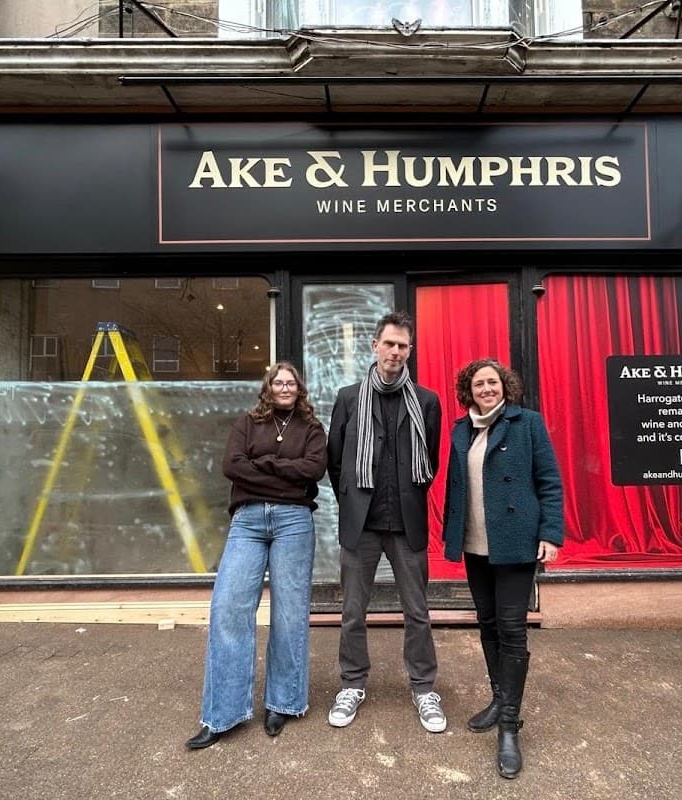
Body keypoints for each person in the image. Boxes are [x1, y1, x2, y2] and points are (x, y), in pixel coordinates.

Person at [186, 361, 327, 750]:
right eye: (278, 382)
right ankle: (222, 714)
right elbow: (232, 466)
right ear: (268, 387)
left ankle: (283, 702)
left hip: (295, 523)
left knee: (289, 612)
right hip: (247, 520)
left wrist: (260, 465)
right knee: (229, 607)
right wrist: (285, 474)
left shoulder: (312, 429)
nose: (285, 387)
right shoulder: (247, 423)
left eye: (291, 383)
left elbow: (314, 469)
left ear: (299, 389)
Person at [441, 358, 563, 778]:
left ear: (505, 386)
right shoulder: (462, 429)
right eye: (478, 384)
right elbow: (456, 486)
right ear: (469, 391)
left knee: (511, 628)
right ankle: (498, 696)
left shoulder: (527, 423)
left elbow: (549, 480)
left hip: (516, 543)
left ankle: (510, 724)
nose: (487, 389)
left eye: (493, 382)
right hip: (475, 544)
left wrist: (550, 533)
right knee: (488, 622)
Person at [325, 310, 446, 733]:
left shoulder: (427, 401)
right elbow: (334, 459)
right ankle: (352, 682)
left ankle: (423, 687)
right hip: (362, 526)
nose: (395, 351)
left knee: (418, 612)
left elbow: (429, 458)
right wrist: (352, 500)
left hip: (407, 523)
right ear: (374, 346)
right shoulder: (348, 397)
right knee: (353, 612)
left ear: (410, 350)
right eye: (389, 343)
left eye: (403, 345)